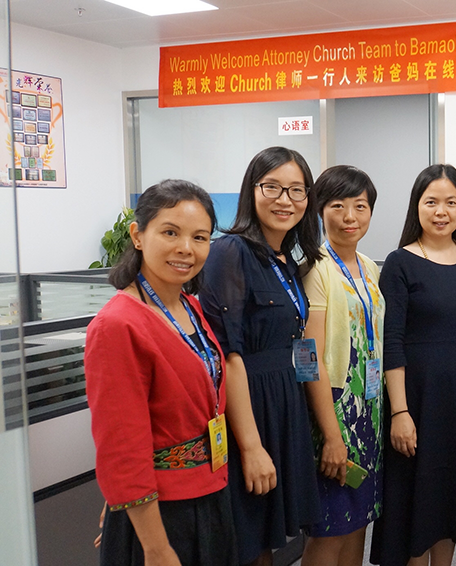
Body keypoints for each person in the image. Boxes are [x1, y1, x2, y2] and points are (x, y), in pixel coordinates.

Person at [87, 180, 237, 565]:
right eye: (170, 232)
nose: (186, 248)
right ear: (138, 235)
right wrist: (155, 546)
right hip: (163, 516)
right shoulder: (117, 325)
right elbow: (122, 445)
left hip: (209, 491)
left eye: (200, 237)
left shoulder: (189, 307)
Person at [371, 164, 456, 566]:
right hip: (416, 400)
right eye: (431, 202)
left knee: (450, 503)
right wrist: (400, 412)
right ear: (417, 206)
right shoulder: (400, 263)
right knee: (418, 503)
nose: (441, 211)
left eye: (451, 202)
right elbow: (391, 341)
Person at [199, 147, 322, 566]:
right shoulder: (230, 252)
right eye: (273, 187)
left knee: (267, 541)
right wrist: (250, 447)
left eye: (296, 190)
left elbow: (297, 343)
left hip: (284, 404)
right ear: (251, 190)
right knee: (248, 542)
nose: (285, 200)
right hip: (248, 408)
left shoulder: (286, 259)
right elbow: (227, 355)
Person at [301, 165, 385, 566]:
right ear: (320, 210)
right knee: (330, 528)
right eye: (338, 205)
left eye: (360, 206)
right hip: (333, 411)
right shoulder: (315, 268)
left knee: (358, 519)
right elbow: (308, 358)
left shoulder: (369, 267)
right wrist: (331, 436)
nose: (350, 216)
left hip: (369, 408)